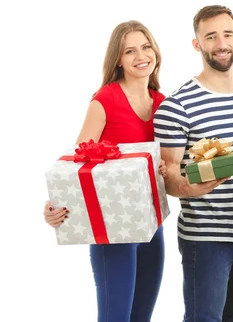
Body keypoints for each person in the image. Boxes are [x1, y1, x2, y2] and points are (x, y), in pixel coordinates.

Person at [43, 20, 168, 322]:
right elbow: (76, 165)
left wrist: (166, 167)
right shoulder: (105, 100)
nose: (141, 55)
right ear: (119, 60)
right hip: (113, 233)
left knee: (141, 318)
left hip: (152, 228)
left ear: (155, 51)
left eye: (146, 46)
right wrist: (53, 207)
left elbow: (169, 163)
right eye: (130, 51)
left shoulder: (163, 104)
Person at [153, 5, 233, 322]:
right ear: (197, 44)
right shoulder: (177, 106)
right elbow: (169, 176)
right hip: (206, 240)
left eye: (227, 34)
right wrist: (191, 187)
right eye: (211, 36)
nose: (221, 43)